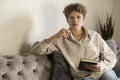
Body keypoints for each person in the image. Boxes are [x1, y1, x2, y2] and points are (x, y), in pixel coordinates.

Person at [32, 3, 118, 80]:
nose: (75, 20)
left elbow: (111, 57)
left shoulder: (95, 36)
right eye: (71, 17)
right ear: (67, 20)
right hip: (83, 77)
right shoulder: (60, 39)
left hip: (101, 72)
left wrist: (102, 65)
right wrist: (55, 36)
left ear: (83, 18)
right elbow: (36, 50)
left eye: (78, 17)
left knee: (110, 77)